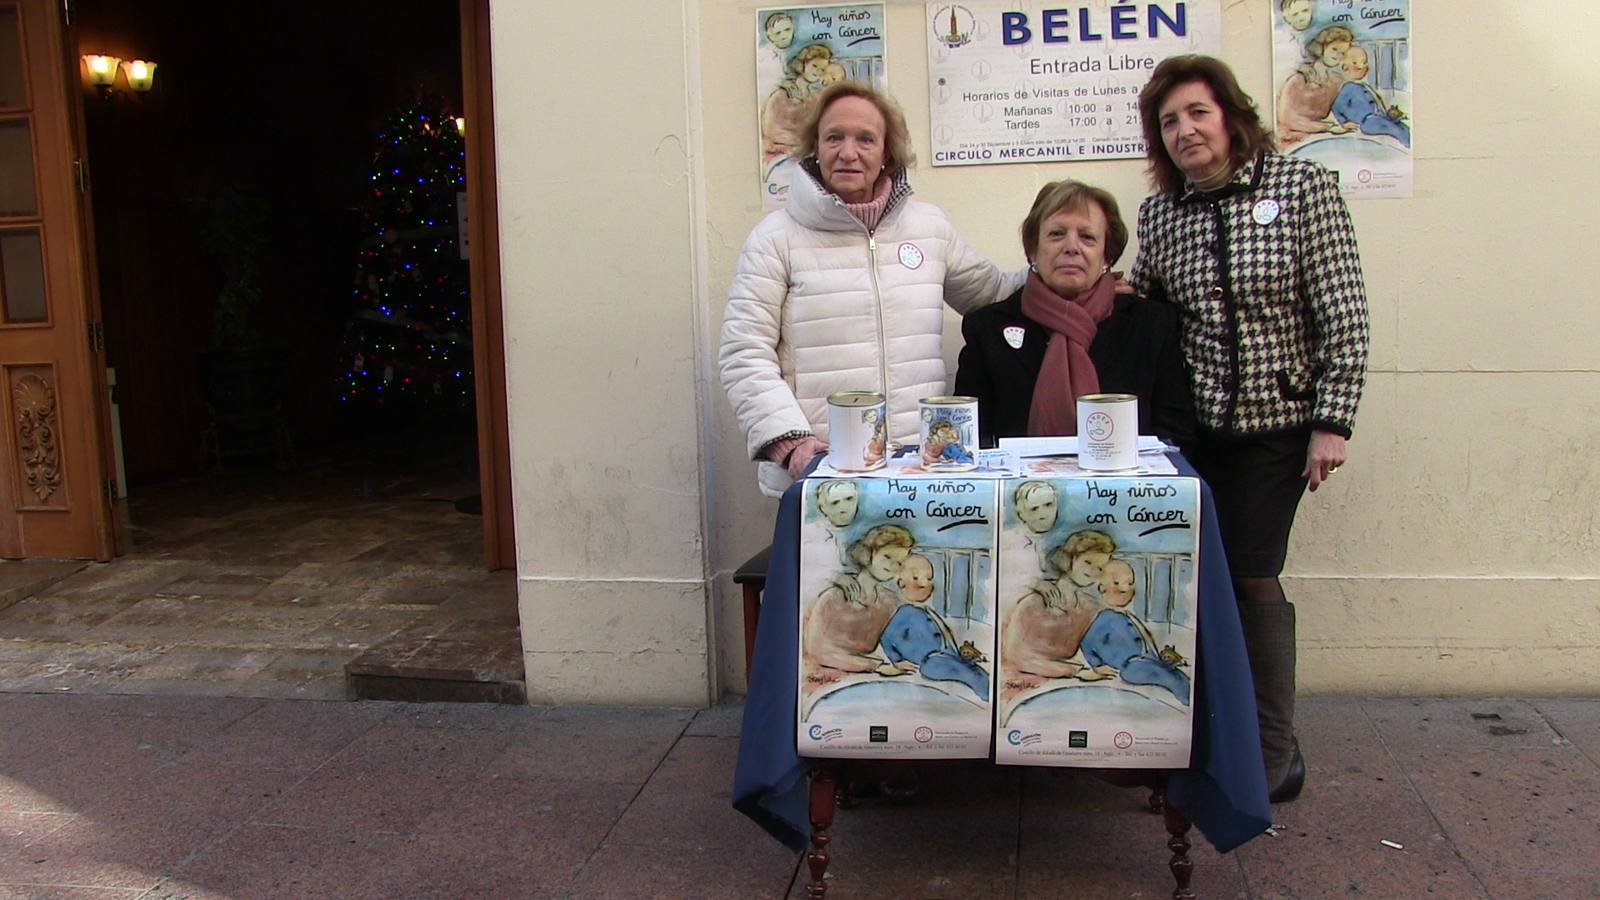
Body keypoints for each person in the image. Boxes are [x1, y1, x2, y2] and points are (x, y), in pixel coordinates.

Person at [1131, 55, 1370, 802]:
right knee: (1192, 580)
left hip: (1277, 428)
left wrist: (1333, 421)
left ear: (1230, 117)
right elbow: (1143, 310)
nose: (1185, 130)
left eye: (1197, 113)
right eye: (1169, 121)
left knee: (1253, 574)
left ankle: (1271, 752)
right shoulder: (1161, 214)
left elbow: (1345, 313)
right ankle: (1206, 734)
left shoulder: (1303, 188)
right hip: (1193, 435)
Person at [722, 82, 1023, 496]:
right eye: (834, 137)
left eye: (866, 139)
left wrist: (1073, 280)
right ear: (815, 145)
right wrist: (791, 445)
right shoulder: (775, 239)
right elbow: (744, 353)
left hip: (920, 470)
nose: (848, 152)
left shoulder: (930, 228)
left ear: (887, 152)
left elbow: (992, 293)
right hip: (821, 472)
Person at [954, 180, 1196, 447]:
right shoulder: (987, 329)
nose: (1072, 247)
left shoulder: (1150, 325)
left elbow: (1176, 435)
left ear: (1107, 256)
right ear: (1032, 249)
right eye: (1057, 234)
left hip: (1129, 488)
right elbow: (971, 440)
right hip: (1022, 487)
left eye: (1088, 237)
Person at [801, 524, 914, 685]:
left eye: (900, 562)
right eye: (887, 557)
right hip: (822, 675)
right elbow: (817, 650)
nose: (893, 566)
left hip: (866, 676)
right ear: (868, 554)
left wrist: (896, 662)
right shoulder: (833, 597)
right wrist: (875, 666)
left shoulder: (889, 603)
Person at [1001, 530, 1115, 686]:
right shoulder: (1033, 603)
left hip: (1066, 681)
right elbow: (1015, 657)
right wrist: (1075, 671)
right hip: (1022, 680)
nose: (1093, 571)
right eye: (1087, 562)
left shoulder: (1090, 608)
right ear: (1069, 560)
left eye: (1100, 568)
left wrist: (1097, 667)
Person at [1077, 560, 1192, 705]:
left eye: (1130, 583)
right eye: (1117, 583)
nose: (1126, 587)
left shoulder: (1129, 617)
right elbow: (1087, 642)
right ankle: (1186, 698)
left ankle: (1188, 698)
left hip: (1144, 662)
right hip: (1130, 666)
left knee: (1173, 673)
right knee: (1168, 677)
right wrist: (1097, 665)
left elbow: (1145, 642)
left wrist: (1158, 657)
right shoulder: (1105, 618)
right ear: (1101, 588)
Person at [877, 554, 991, 700]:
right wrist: (897, 661)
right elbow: (887, 637)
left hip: (944, 658)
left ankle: (989, 696)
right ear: (901, 583)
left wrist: (959, 654)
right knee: (969, 673)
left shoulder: (929, 612)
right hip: (930, 663)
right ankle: (987, 696)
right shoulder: (905, 612)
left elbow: (944, 639)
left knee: (974, 669)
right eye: (916, 578)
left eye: (929, 578)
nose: (924, 583)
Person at [1275, 25, 1358, 149]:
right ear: (1321, 48)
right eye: (1334, 49)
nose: (1338, 55)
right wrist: (1328, 127)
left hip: (1319, 136)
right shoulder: (1298, 79)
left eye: (1343, 53)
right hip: (1290, 138)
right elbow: (1286, 118)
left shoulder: (1336, 82)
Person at [1331, 46, 1411, 147]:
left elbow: (1377, 106)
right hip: (1368, 122)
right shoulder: (1349, 87)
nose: (1361, 66)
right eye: (1355, 63)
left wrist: (1389, 114)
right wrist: (1344, 122)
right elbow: (1337, 107)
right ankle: (1407, 145)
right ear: (1345, 67)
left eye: (1364, 62)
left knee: (1402, 126)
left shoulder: (1366, 87)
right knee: (1394, 129)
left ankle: (1410, 143)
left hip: (1379, 118)